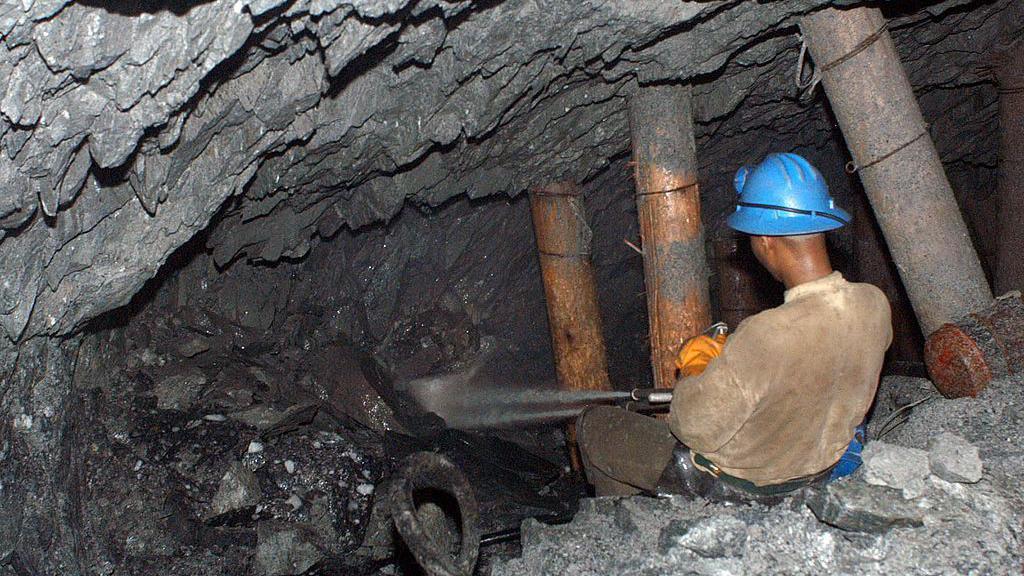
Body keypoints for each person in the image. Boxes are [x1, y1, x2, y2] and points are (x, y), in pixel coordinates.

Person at [578, 152, 892, 502]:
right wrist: (734, 362)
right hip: (820, 469)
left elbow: (693, 428)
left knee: (597, 424)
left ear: (766, 240)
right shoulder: (874, 305)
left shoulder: (768, 333)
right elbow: (809, 358)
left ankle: (624, 515)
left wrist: (697, 367)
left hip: (747, 486)